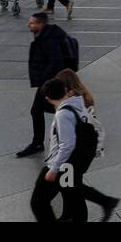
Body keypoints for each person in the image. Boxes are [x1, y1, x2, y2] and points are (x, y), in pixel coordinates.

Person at [51, 69, 120, 220]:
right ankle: (70, 212)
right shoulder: (82, 98)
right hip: (81, 153)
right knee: (68, 184)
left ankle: (104, 202)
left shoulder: (73, 103)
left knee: (71, 186)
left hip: (75, 153)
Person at [30, 78, 97, 223]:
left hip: (62, 164)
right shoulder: (78, 104)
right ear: (66, 90)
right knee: (75, 198)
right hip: (75, 162)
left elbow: (67, 145)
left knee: (38, 201)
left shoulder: (63, 114)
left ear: (48, 98)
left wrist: (53, 169)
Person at [17, 11, 72, 158]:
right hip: (50, 81)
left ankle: (38, 143)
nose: (29, 25)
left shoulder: (49, 40)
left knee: (37, 110)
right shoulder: (45, 36)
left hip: (50, 82)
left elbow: (55, 61)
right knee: (48, 109)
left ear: (41, 24)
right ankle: (77, 123)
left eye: (32, 23)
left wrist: (45, 80)